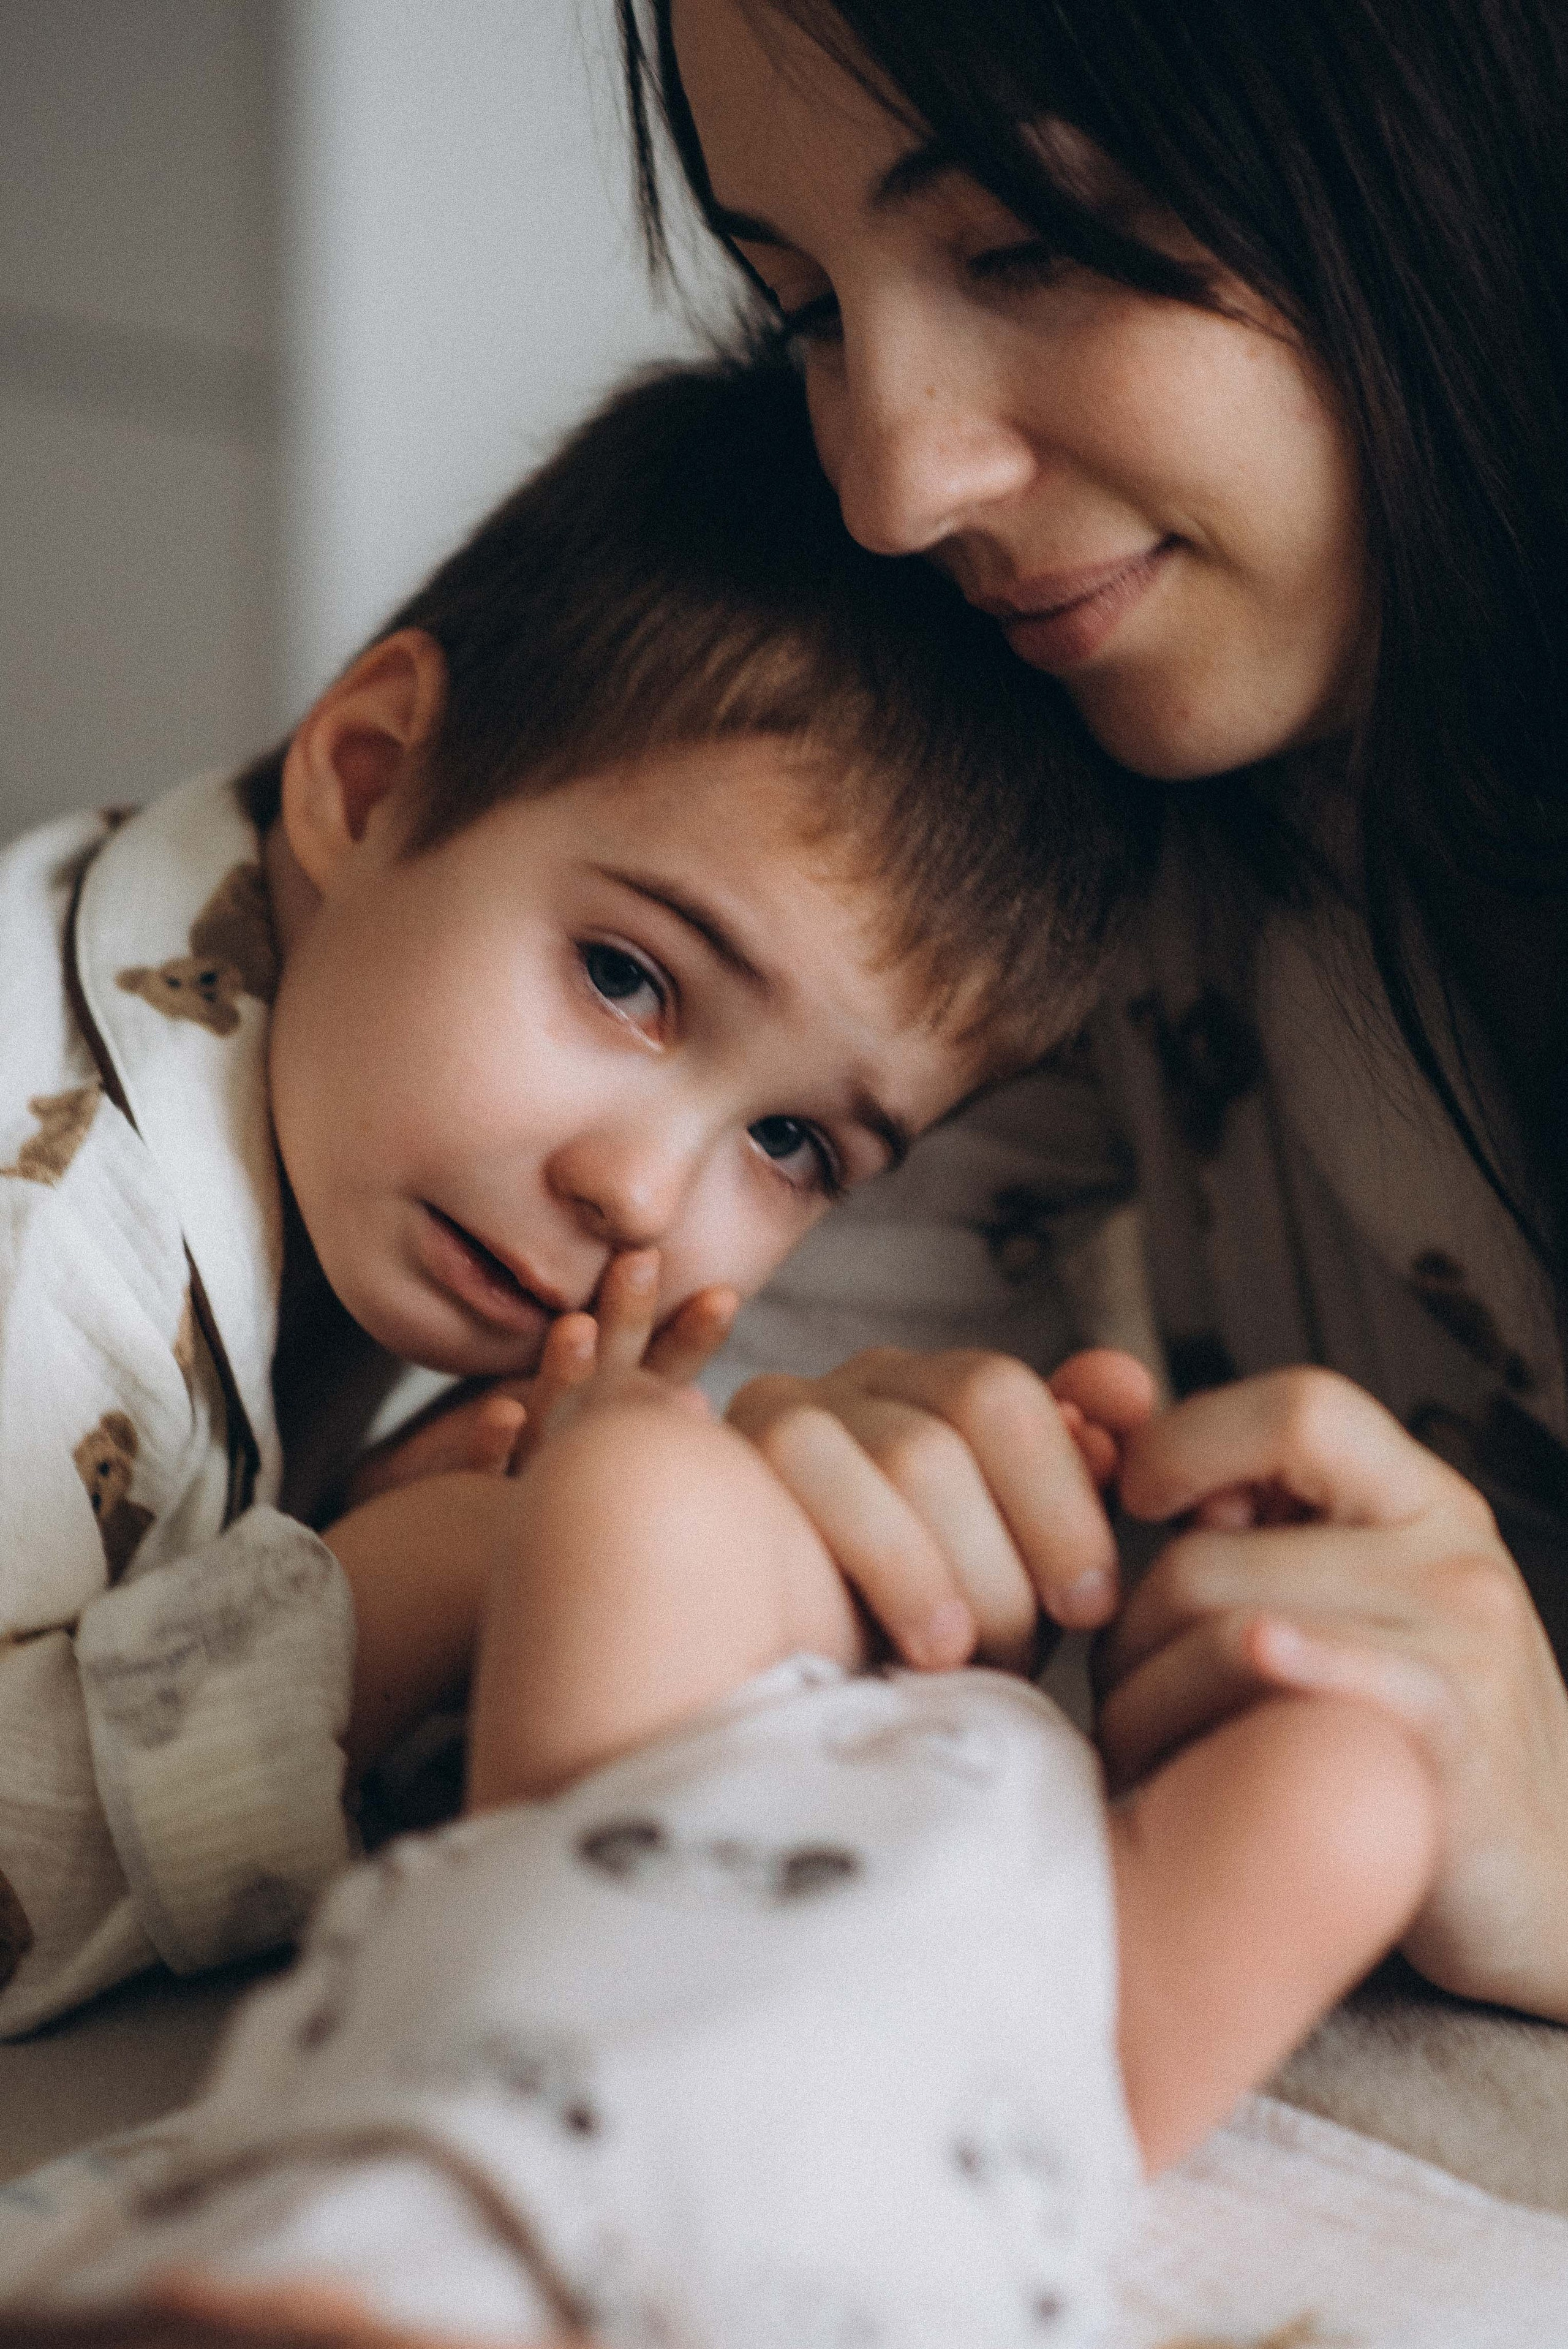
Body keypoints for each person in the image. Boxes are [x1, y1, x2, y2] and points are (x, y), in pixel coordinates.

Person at [0, 351, 1156, 2040]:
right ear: (376, 772)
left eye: (793, 1148)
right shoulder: (61, 1250)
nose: (639, 1192)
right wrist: (405, 1589)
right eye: (627, 975)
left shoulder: (345, 1080)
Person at [616, 0, 1568, 2022]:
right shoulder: (1107, 793)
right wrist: (810, 1501)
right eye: (803, 308)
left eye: (1024, 240)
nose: (891, 481)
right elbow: (702, 1412)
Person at [0, 1344, 1438, 2349]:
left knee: (631, 1482)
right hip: (1045, 2007)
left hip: (611, 1807)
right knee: (1355, 1796)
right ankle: (1182, 1639)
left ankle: (899, 1599)